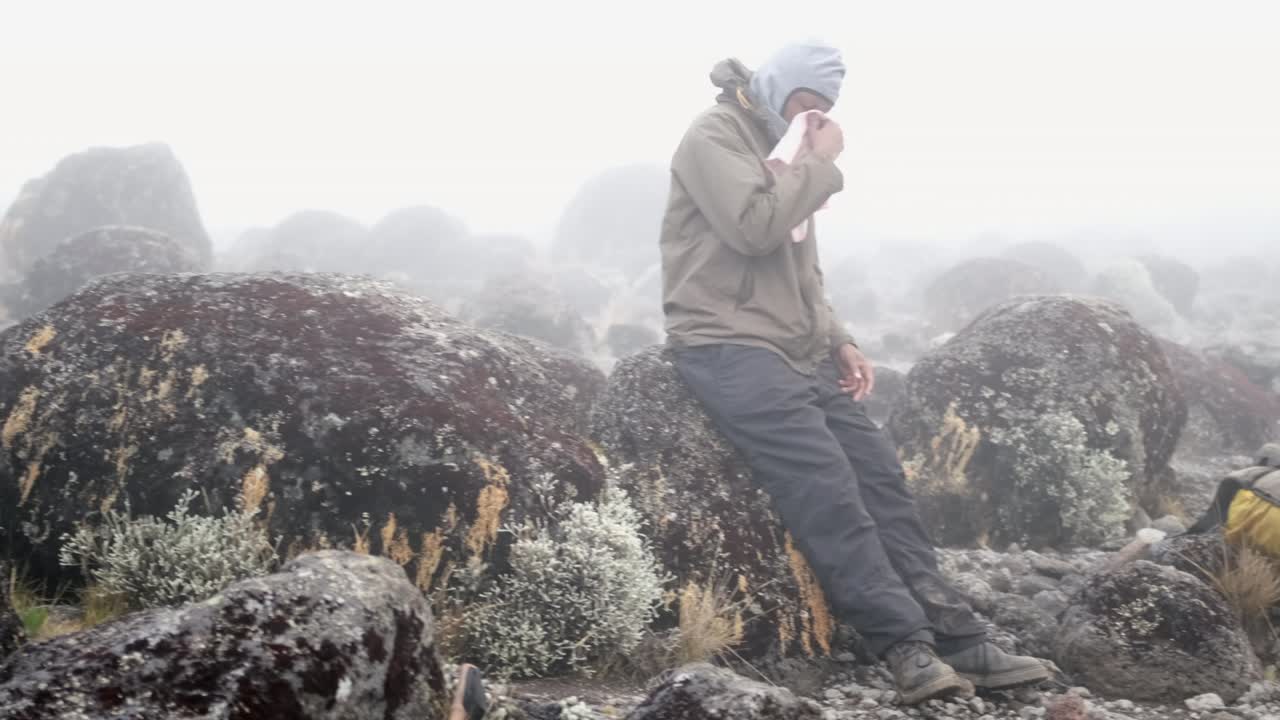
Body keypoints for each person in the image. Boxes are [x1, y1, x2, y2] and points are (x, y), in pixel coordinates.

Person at [659, 41, 1051, 705]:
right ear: (779, 87)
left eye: (824, 112)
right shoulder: (715, 135)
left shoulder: (782, 146)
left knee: (880, 476)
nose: (814, 120)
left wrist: (838, 338)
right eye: (806, 105)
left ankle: (955, 636)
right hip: (726, 343)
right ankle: (904, 645)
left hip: (793, 346)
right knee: (827, 488)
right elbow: (756, 227)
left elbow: (798, 262)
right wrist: (821, 161)